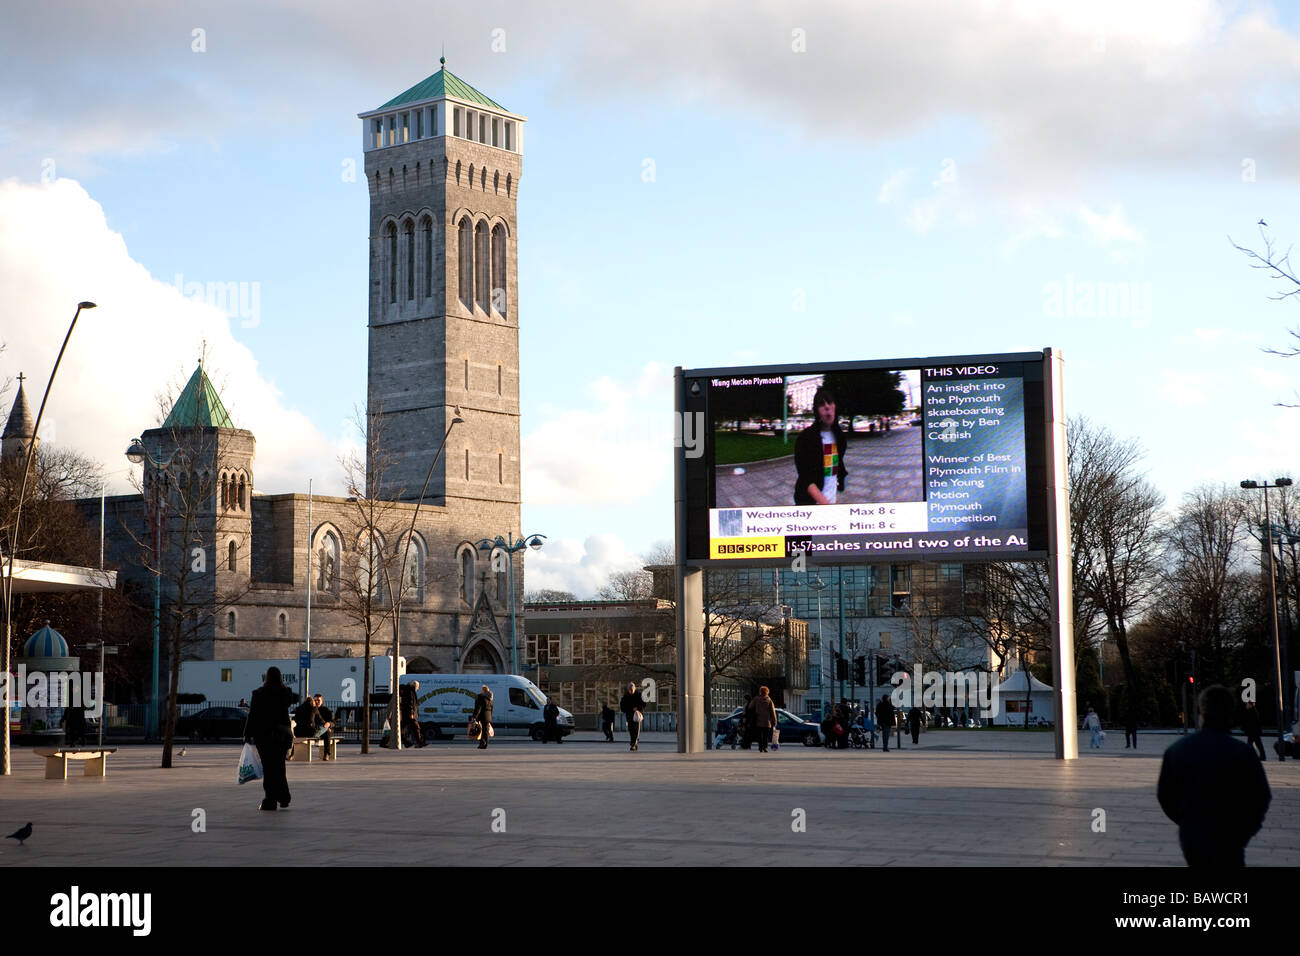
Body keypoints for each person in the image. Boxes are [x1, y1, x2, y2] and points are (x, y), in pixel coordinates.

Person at [1157, 685, 1272, 867]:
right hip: (1231, 837)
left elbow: (1165, 796)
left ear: (1202, 711)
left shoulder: (1177, 750)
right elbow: (1261, 797)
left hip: (1193, 836)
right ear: (1230, 712)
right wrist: (1244, 832)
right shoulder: (1243, 753)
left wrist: (1186, 821)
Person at [245, 666, 295, 811]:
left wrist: (248, 734)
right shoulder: (286, 693)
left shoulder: (259, 693)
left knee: (268, 768)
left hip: (264, 735)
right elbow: (289, 702)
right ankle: (284, 797)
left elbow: (252, 715)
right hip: (281, 735)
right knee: (280, 767)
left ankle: (270, 799)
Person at [793, 386, 849, 506]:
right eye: (821, 404)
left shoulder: (839, 437)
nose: (827, 407)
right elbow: (805, 478)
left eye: (830, 402)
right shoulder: (805, 438)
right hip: (810, 503)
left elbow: (839, 463)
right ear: (817, 411)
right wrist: (826, 505)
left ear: (835, 407)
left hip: (832, 498)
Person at [620, 681, 646, 752]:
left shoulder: (639, 695)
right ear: (628, 689)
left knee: (636, 729)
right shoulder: (626, 696)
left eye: (632, 690)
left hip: (637, 715)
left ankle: (633, 744)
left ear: (634, 689)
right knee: (631, 729)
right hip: (629, 714)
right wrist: (630, 709)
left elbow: (644, 704)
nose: (631, 691)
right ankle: (634, 742)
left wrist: (637, 708)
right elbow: (622, 706)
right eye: (630, 690)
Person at [751, 686, 778, 753]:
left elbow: (750, 706)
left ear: (760, 691)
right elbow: (773, 711)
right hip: (767, 721)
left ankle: (760, 747)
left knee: (760, 735)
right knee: (766, 736)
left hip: (758, 720)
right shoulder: (769, 700)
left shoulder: (756, 699)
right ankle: (765, 747)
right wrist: (775, 720)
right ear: (767, 691)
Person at [399, 680, 424, 747]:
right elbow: (410, 703)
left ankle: (409, 743)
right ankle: (419, 742)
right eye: (417, 687)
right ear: (415, 686)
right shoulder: (410, 692)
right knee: (416, 728)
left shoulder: (409, 691)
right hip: (409, 714)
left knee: (404, 729)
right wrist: (412, 713)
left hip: (407, 714)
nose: (417, 689)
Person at [312, 693, 335, 758]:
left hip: (326, 729)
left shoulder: (326, 710)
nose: (316, 702)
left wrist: (329, 724)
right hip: (315, 730)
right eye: (315, 700)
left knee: (327, 732)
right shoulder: (311, 710)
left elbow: (333, 722)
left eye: (318, 700)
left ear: (322, 701)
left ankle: (326, 754)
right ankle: (292, 754)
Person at [472, 685, 493, 749]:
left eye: (481, 690)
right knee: (485, 731)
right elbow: (492, 709)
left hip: (482, 716)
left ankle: (482, 743)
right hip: (488, 717)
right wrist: (490, 717)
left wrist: (474, 716)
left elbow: (478, 708)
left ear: (483, 691)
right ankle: (485, 743)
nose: (480, 691)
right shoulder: (490, 699)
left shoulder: (481, 697)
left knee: (481, 730)